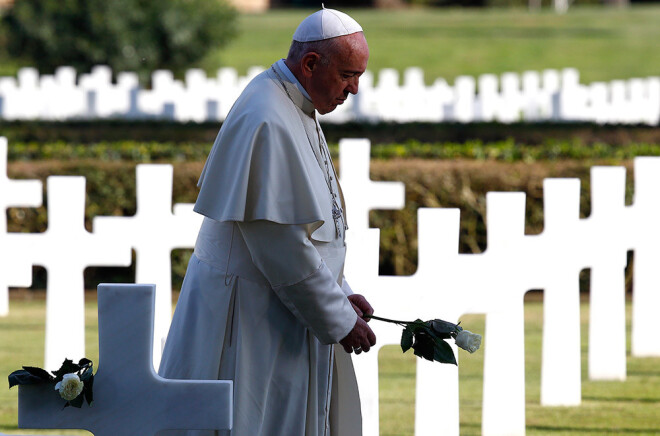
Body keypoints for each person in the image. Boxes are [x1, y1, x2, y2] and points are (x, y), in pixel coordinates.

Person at [158, 7, 377, 436]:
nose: (353, 89)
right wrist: (337, 316)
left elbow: (313, 229)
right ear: (311, 64)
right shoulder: (267, 115)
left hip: (282, 311)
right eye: (349, 75)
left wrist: (341, 293)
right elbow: (281, 245)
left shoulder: (296, 104)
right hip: (248, 319)